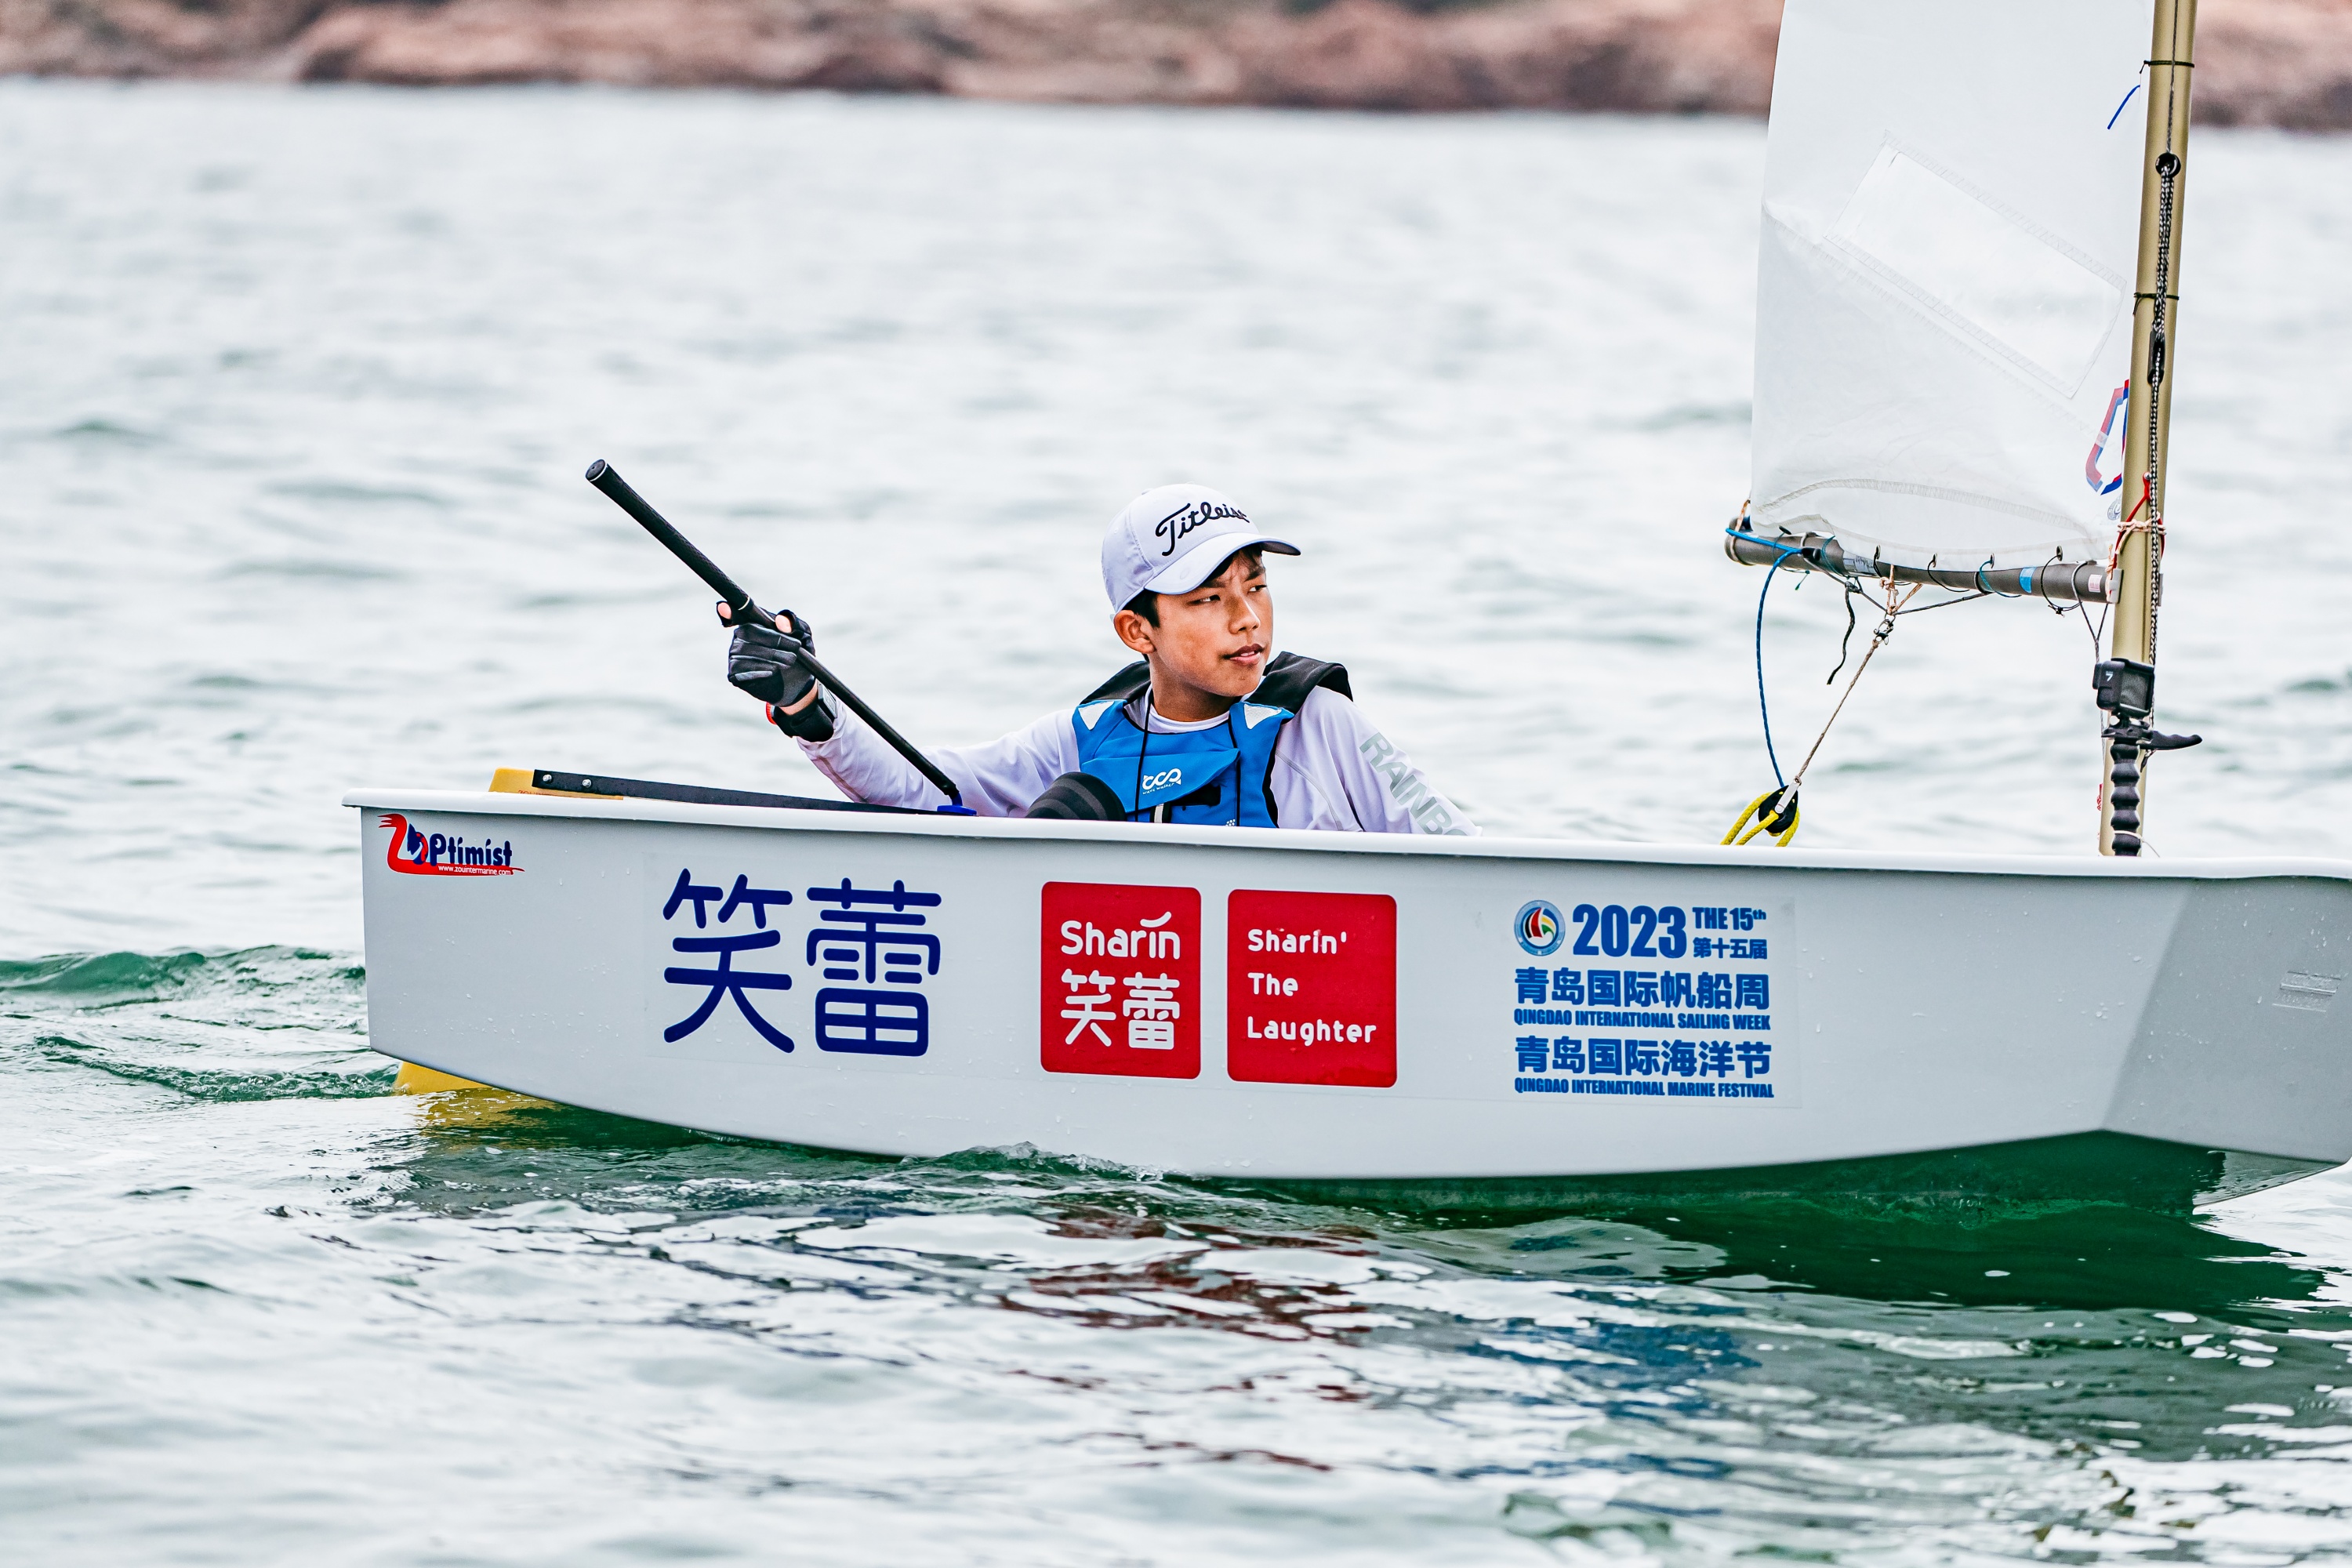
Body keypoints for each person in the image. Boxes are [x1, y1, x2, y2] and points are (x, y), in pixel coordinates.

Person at [720, 484, 1476, 834]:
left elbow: (1460, 860)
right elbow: (924, 790)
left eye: (1257, 586)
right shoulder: (1080, 741)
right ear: (1135, 632)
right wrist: (806, 704)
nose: (1249, 620)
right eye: (1209, 600)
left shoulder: (1321, 725)